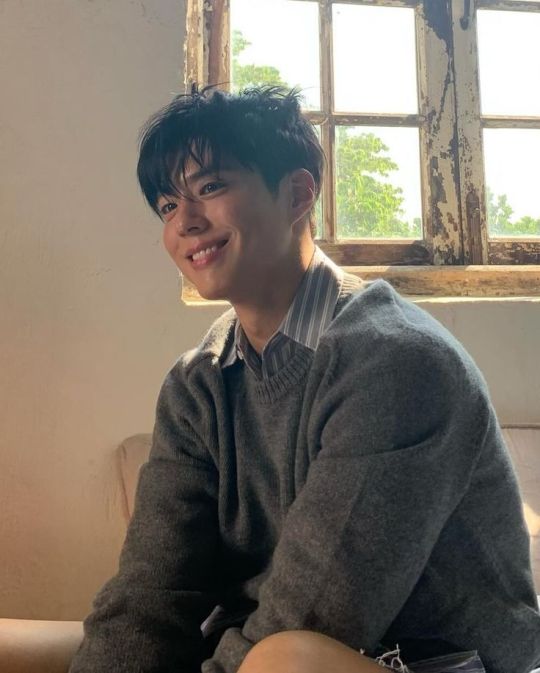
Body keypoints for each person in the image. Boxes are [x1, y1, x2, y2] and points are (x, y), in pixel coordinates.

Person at [68, 86, 540, 673]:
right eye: (167, 205)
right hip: (265, 652)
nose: (184, 222)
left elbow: (314, 616)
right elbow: (152, 594)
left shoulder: (395, 362)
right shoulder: (197, 387)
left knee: (287, 658)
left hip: (429, 663)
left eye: (210, 188)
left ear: (297, 193)